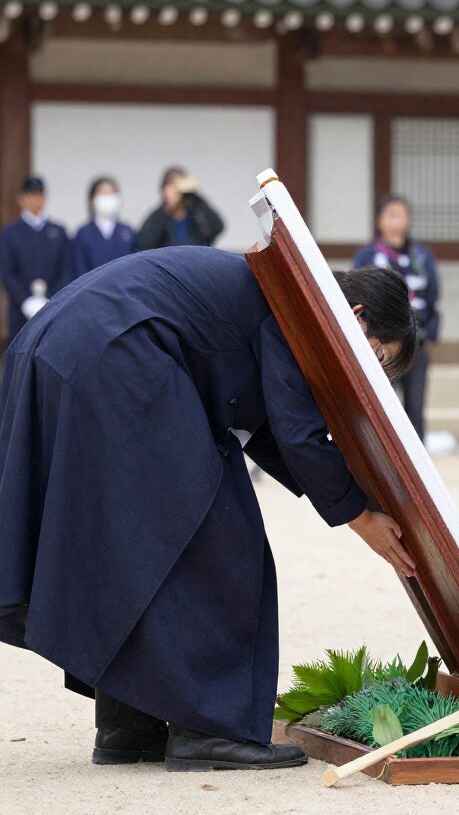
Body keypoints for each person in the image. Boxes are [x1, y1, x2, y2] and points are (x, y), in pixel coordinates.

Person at [0, 247, 418, 771]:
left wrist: (350, 495)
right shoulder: (304, 308)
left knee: (133, 541)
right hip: (114, 352)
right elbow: (298, 432)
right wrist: (359, 517)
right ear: (356, 317)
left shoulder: (287, 291)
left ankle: (131, 721)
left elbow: (270, 431)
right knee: (221, 536)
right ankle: (209, 728)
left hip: (61, 344)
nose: (367, 373)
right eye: (378, 357)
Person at [354, 194, 440, 441]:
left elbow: (433, 297)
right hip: (379, 343)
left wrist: (431, 334)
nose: (396, 221)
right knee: (382, 403)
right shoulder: (368, 256)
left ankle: (418, 465)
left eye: (400, 214)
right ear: (379, 220)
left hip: (416, 342)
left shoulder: (422, 256)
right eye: (390, 214)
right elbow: (355, 295)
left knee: (415, 405)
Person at [0, 175, 70, 344]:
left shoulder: (58, 231)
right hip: (20, 311)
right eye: (30, 194)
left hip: (53, 308)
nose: (35, 199)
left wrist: (52, 299)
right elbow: (7, 272)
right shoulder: (10, 232)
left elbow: (66, 268)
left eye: (39, 194)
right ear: (21, 199)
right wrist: (26, 300)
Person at [137, 166, 224, 250]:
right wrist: (168, 209)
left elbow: (217, 227)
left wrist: (195, 197)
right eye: (173, 185)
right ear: (164, 189)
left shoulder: (196, 213)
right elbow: (145, 243)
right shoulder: (158, 217)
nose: (177, 189)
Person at [70, 176, 137, 279]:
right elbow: (79, 268)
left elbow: (134, 266)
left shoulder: (127, 232)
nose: (109, 198)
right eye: (104, 193)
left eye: (112, 193)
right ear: (93, 199)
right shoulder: (83, 233)